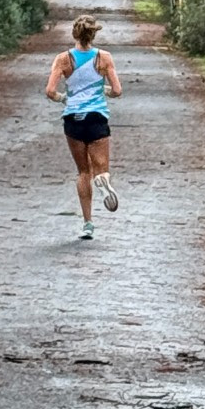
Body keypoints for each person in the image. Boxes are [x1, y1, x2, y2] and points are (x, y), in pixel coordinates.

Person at [45, 12, 122, 241]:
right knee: (101, 168)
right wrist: (103, 91)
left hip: (73, 119)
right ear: (93, 34)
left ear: (75, 34)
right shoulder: (104, 58)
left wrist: (64, 99)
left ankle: (88, 223)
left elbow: (50, 91)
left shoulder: (63, 59)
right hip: (97, 116)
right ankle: (104, 180)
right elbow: (117, 90)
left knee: (82, 172)